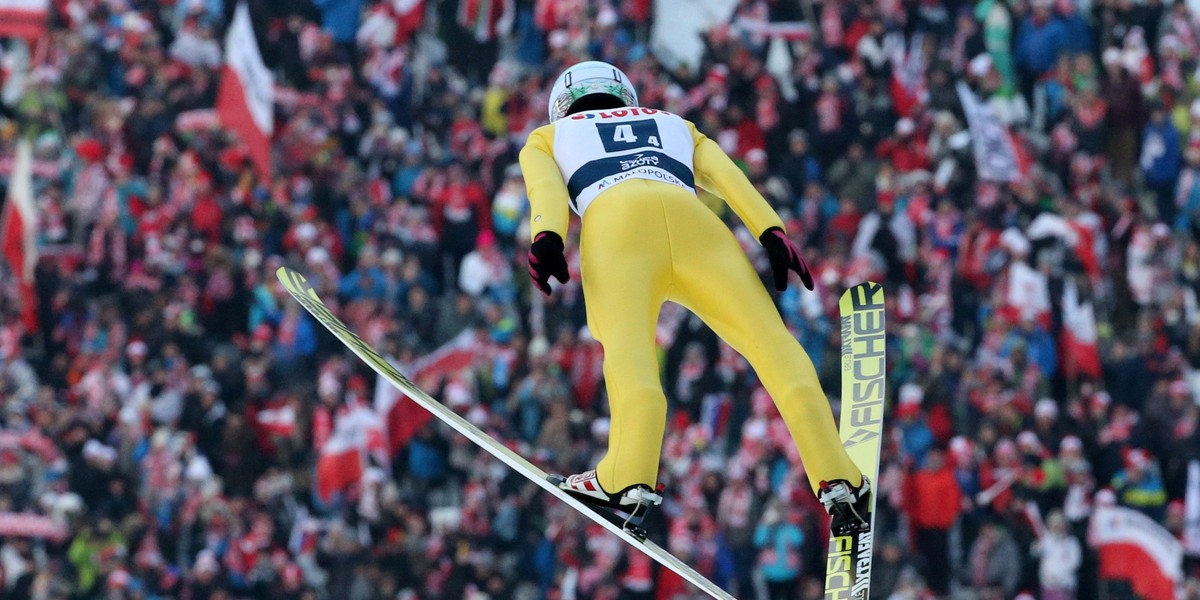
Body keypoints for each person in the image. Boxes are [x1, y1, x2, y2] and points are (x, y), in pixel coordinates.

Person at [518, 60, 869, 535]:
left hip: (616, 229)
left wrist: (547, 238)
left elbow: (545, 191)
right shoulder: (673, 123)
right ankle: (838, 478)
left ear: (562, 105)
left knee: (630, 358)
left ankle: (628, 478)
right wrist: (771, 231)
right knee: (772, 346)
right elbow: (731, 179)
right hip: (695, 225)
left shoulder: (547, 136)